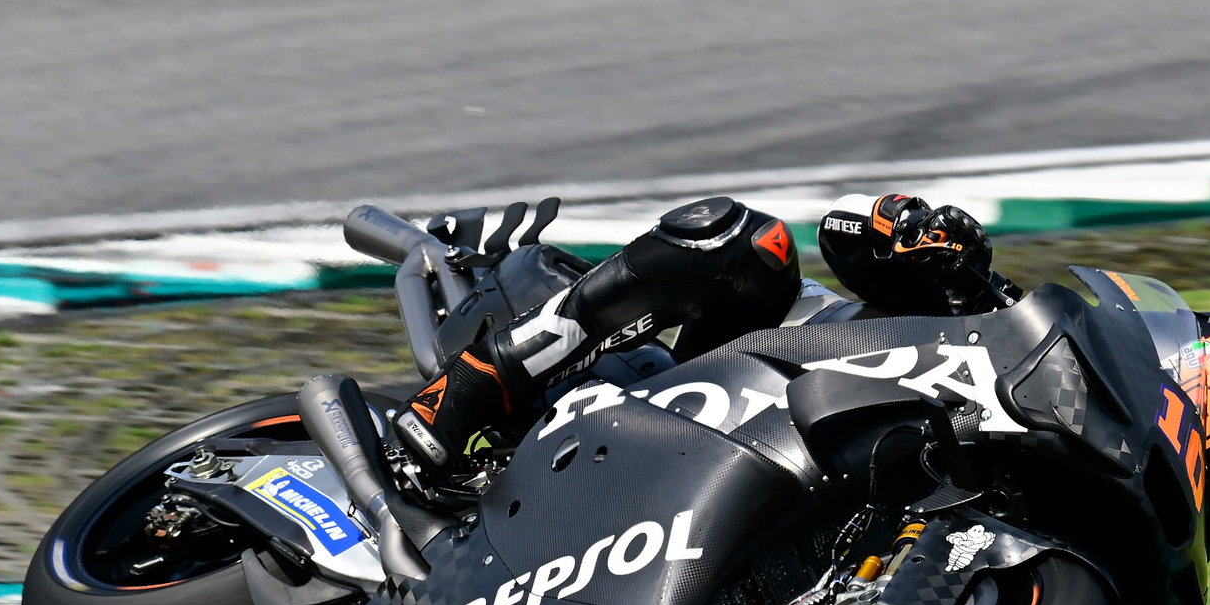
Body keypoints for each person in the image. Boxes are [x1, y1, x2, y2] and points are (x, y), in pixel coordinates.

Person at [391, 192, 1022, 476]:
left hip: (777, 486)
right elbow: (850, 223)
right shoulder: (986, 317)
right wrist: (931, 249)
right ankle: (467, 390)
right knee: (750, 242)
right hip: (743, 380)